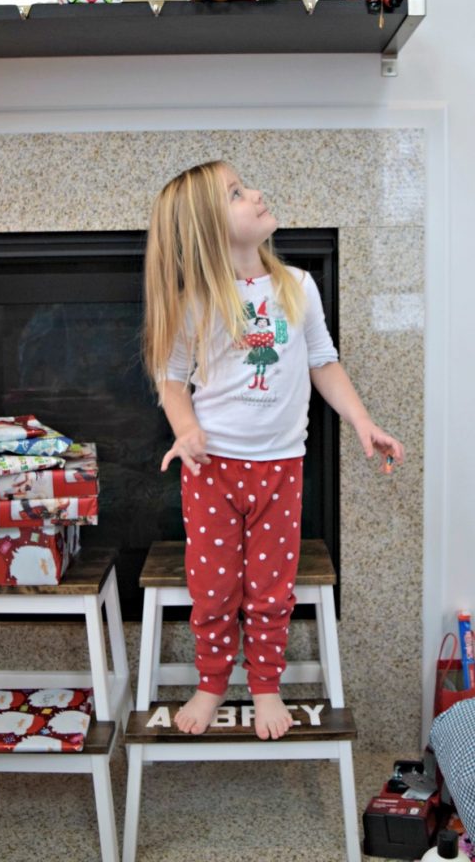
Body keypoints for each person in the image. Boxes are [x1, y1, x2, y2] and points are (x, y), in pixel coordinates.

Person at [143, 160, 404, 741]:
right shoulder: (196, 303)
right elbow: (171, 379)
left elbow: (322, 362)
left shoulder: (297, 287)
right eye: (237, 194)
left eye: (246, 185)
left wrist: (361, 421)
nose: (257, 193)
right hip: (211, 470)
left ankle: (265, 684)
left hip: (281, 469)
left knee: (271, 586)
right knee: (213, 589)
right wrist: (185, 430)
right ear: (210, 229)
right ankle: (212, 682)